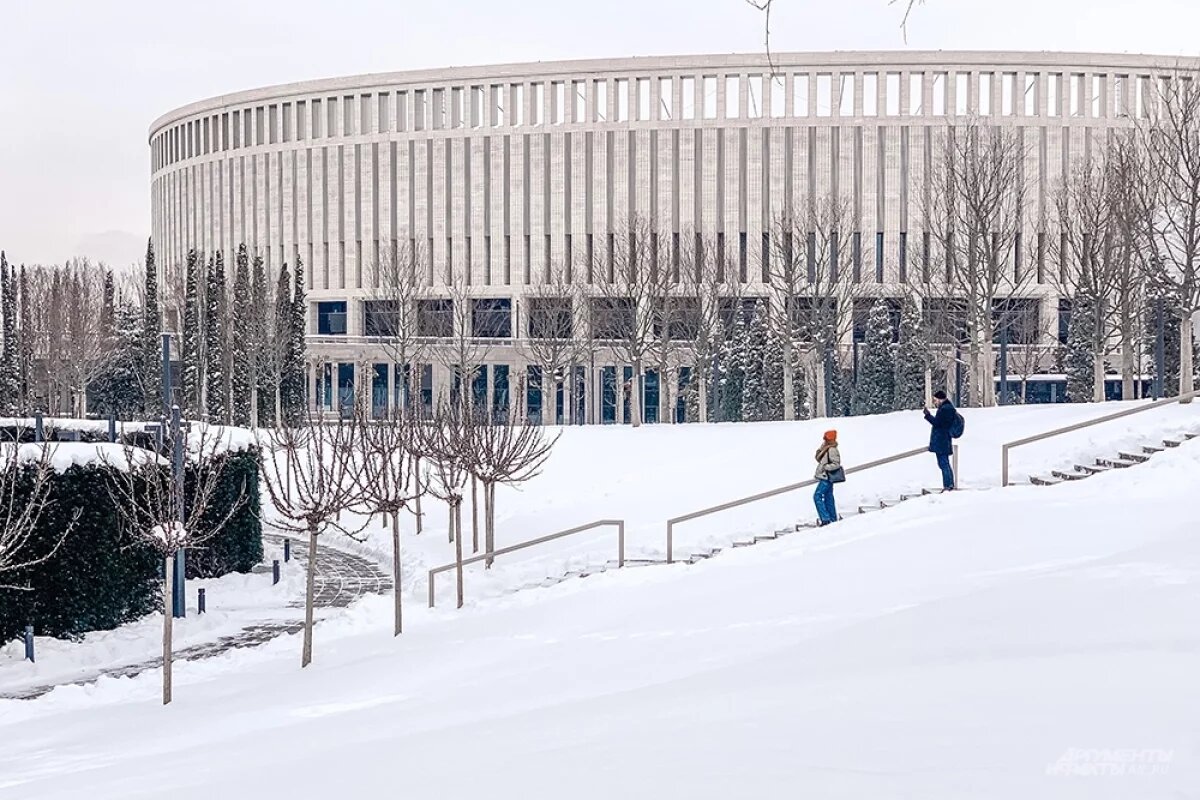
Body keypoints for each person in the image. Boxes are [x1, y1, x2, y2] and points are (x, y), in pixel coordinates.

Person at [924, 390, 956, 490]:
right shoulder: (946, 408)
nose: (934, 402)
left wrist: (928, 415)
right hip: (943, 440)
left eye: (935, 400)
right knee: (944, 463)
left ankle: (948, 485)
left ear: (940, 399)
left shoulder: (945, 409)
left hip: (942, 441)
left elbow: (938, 423)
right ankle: (949, 484)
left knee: (944, 464)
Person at [813, 429, 841, 526]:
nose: (824, 440)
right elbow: (817, 458)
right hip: (826, 477)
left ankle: (825, 518)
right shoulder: (827, 449)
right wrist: (821, 448)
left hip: (826, 477)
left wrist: (826, 468)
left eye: (826, 439)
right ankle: (832, 518)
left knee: (817, 496)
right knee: (828, 497)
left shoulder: (832, 450)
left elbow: (836, 464)